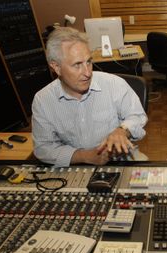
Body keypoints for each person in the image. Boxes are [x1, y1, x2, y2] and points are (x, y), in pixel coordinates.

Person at [32, 27, 147, 167]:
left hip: (122, 158)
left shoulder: (114, 83)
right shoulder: (42, 100)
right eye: (77, 65)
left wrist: (122, 131)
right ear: (56, 67)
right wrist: (85, 156)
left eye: (88, 62)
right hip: (75, 163)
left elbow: (138, 116)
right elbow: (43, 148)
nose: (87, 72)